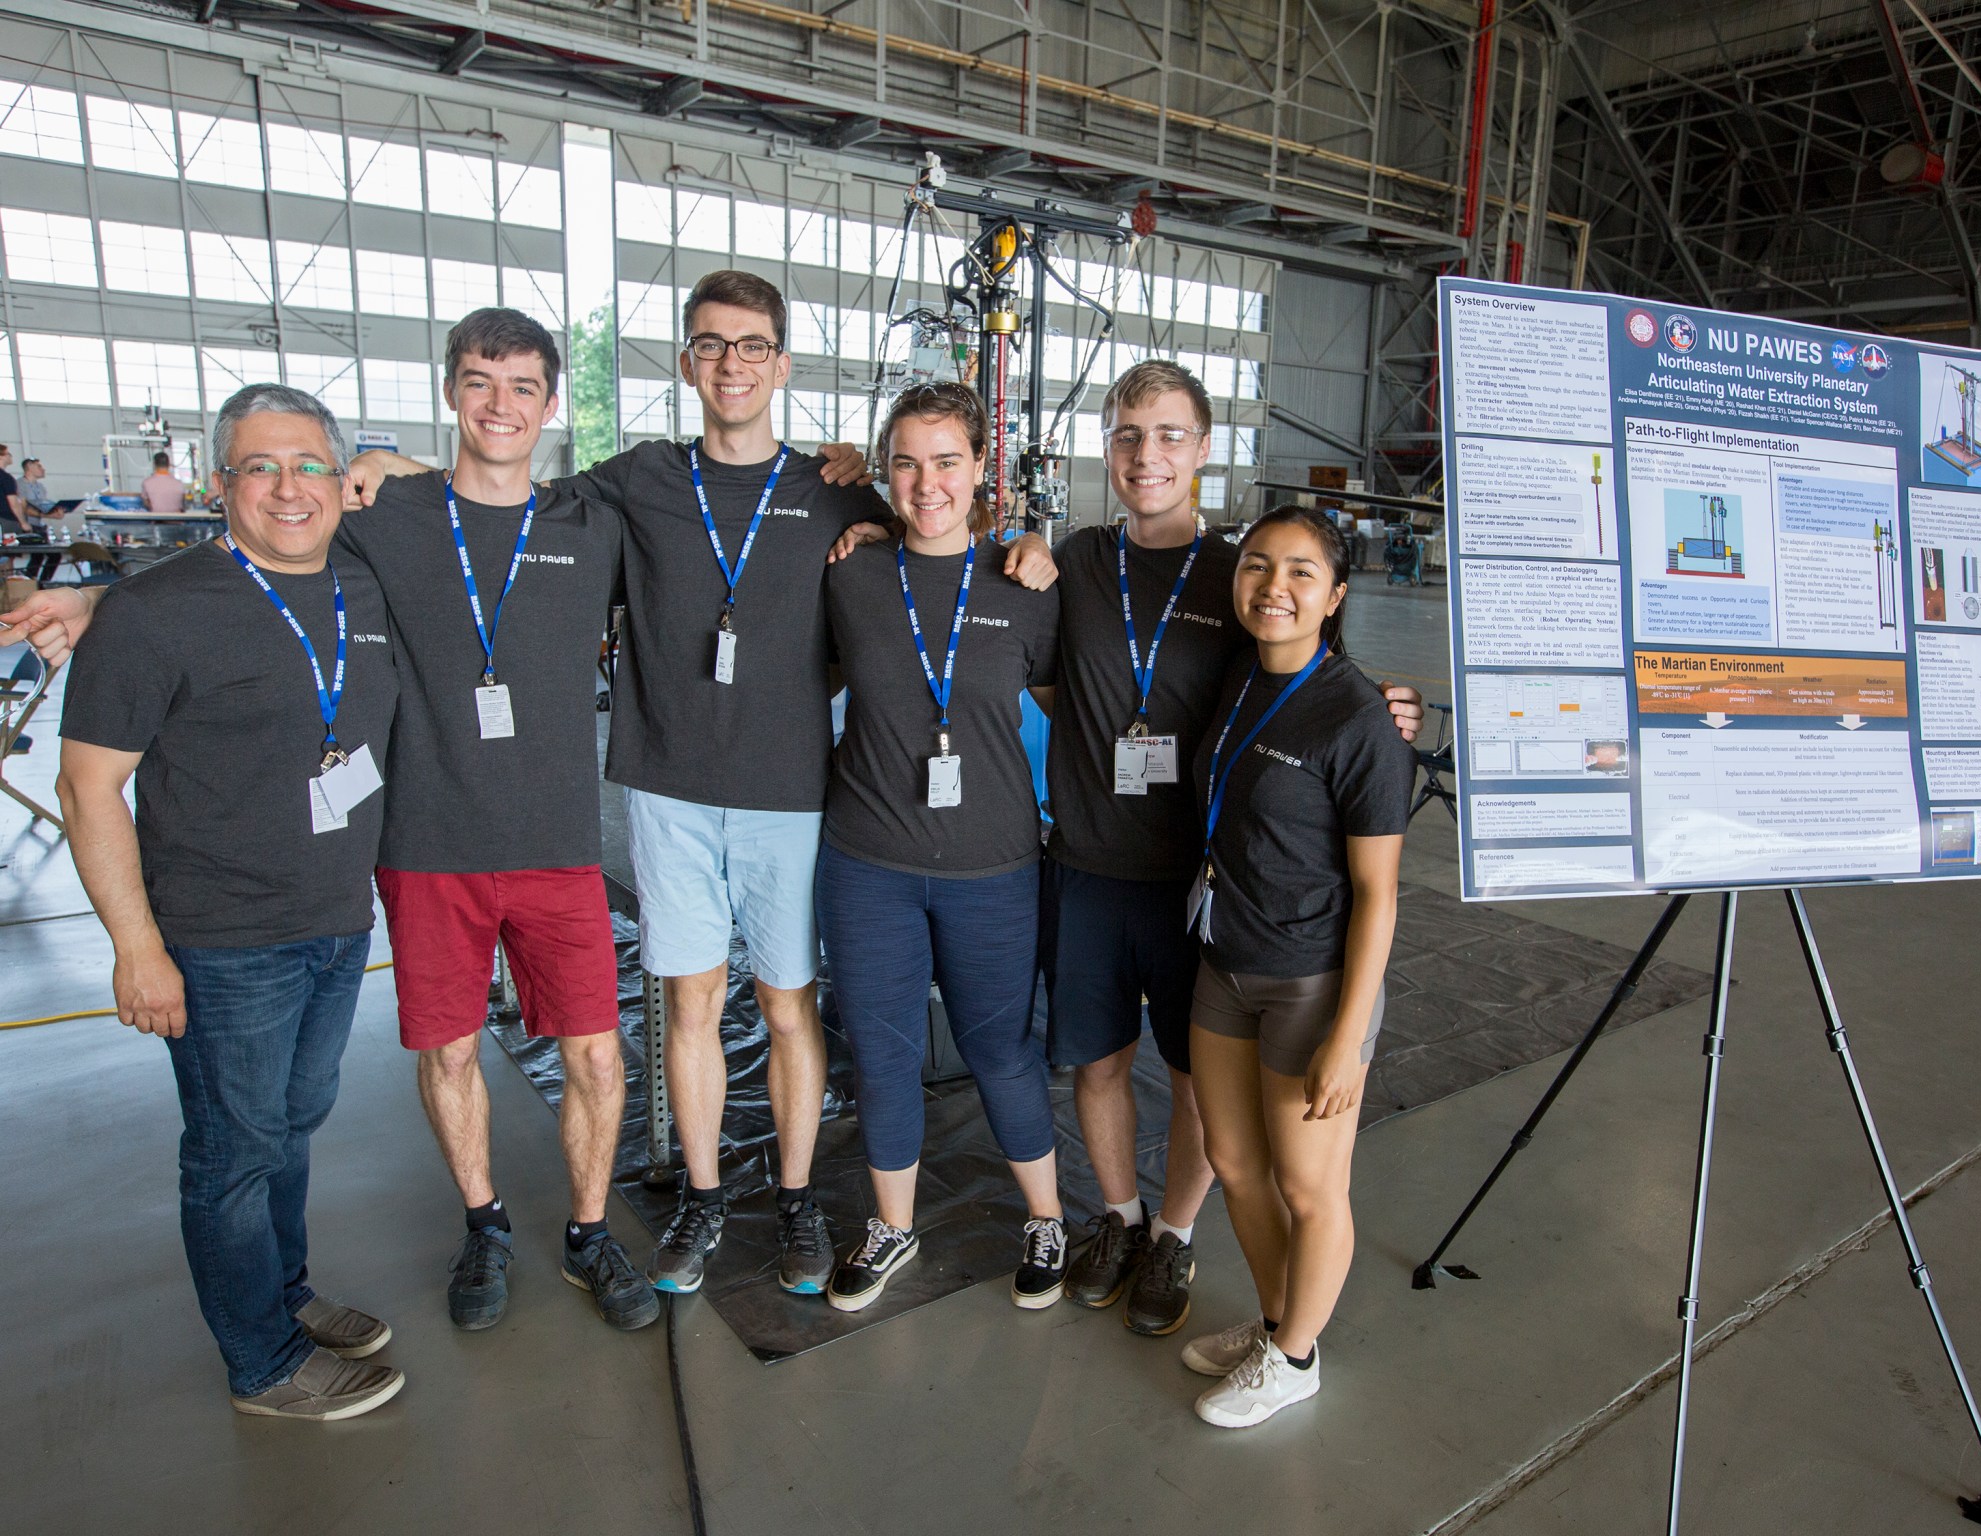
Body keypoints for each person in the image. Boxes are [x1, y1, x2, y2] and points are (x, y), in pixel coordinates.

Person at [346, 270, 1049, 1299]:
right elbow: (504, 494)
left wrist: (1022, 542)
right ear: (687, 362)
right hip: (668, 788)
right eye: (711, 345)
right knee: (689, 1003)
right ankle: (706, 1197)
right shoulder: (634, 479)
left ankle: (800, 1201)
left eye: (751, 345)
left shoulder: (839, 489)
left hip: (792, 792)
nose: (731, 363)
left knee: (788, 1005)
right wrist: (394, 468)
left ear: (781, 363)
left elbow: (934, 531)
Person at [1034, 360, 1423, 1338]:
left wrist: (1384, 705)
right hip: (1087, 863)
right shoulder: (1075, 561)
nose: (1145, 455)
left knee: (1203, 1085)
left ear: (1201, 451)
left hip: (1200, 885)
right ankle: (1118, 1220)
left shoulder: (1240, 570)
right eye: (1126, 435)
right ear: (1107, 450)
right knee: (1100, 1063)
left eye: (1167, 435)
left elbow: (1309, 675)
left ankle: (1173, 1232)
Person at [53, 384, 404, 1421]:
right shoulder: (155, 613)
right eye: (261, 467)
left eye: (308, 466)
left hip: (336, 921)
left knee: (289, 1126)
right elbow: (87, 788)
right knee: (232, 1150)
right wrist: (135, 949)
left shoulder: (364, 586)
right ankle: (260, 1361)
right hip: (217, 939)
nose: (287, 488)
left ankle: (283, 1296)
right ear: (221, 487)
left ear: (344, 481)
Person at [332, 308, 655, 1333]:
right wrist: (88, 609)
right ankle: (484, 1224)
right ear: (449, 393)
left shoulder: (590, 524)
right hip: (427, 843)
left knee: (597, 1055)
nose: (501, 404)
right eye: (479, 381)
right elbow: (264, 563)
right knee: (451, 1050)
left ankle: (589, 1233)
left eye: (521, 386)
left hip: (558, 846)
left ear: (551, 403)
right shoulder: (385, 511)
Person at [815, 382, 1068, 1313]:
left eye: (948, 461)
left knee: (1001, 1048)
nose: (928, 484)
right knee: (880, 1054)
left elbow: (1090, 702)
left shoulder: (1027, 584)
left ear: (979, 473)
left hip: (992, 868)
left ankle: (1046, 1216)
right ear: (886, 474)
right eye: (909, 463)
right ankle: (893, 1227)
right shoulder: (849, 573)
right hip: (867, 864)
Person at [1178, 506, 1408, 1429]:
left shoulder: (1358, 717)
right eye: (1258, 567)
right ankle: (1279, 1324)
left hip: (1310, 982)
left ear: (1336, 594)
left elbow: (1380, 893)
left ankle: (1298, 1358)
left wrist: (1348, 1037)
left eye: (1302, 573)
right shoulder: (1239, 678)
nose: (1275, 586)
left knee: (1310, 1186)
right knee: (1234, 1162)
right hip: (1224, 961)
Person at [139, 450, 188, 517]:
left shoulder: (147, 483)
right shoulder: (179, 483)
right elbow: (184, 504)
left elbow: (146, 503)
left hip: (157, 522)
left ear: (154, 464)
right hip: (177, 522)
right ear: (169, 464)